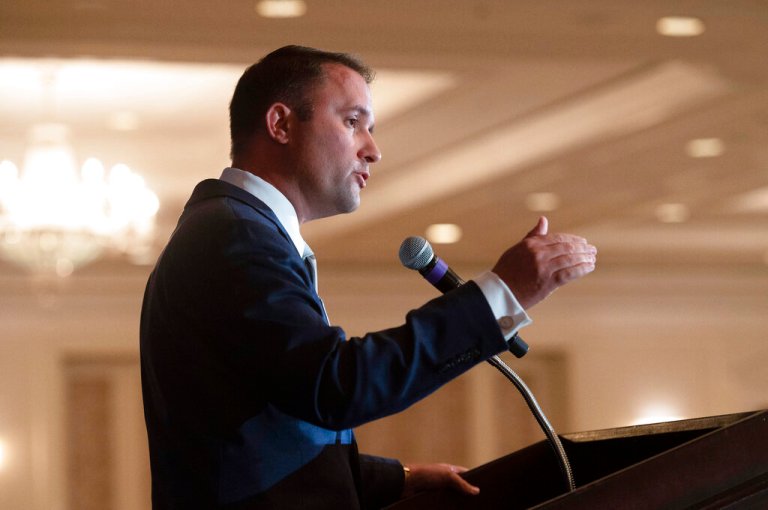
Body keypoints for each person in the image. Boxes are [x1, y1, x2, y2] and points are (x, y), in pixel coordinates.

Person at [140, 45, 596, 509]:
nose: (373, 150)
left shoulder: (235, 229)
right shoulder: (234, 236)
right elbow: (333, 385)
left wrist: (396, 479)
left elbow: (269, 426)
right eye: (353, 122)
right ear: (280, 124)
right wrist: (500, 294)